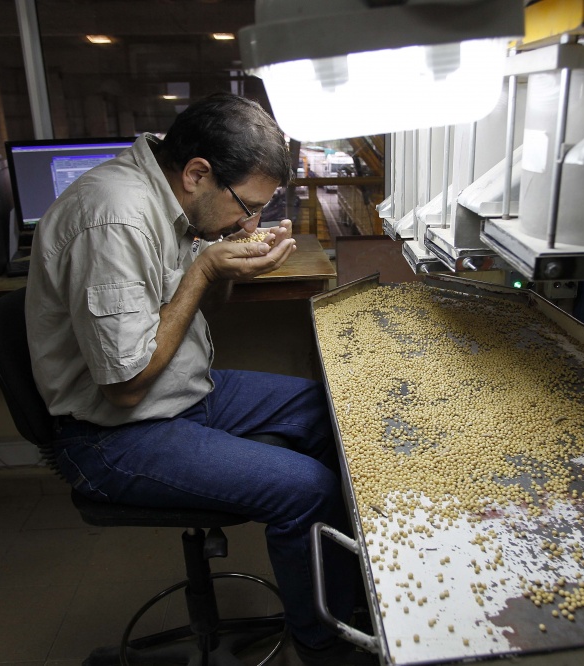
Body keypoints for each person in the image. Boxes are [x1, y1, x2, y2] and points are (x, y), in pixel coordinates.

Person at [24, 93, 370, 665]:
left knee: (333, 413)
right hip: (112, 433)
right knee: (306, 489)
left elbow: (199, 307)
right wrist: (206, 266)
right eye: (247, 205)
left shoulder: (173, 198)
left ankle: (350, 599)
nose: (250, 220)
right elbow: (126, 386)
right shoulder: (114, 217)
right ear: (197, 173)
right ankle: (324, 644)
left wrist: (228, 256)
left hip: (184, 391)